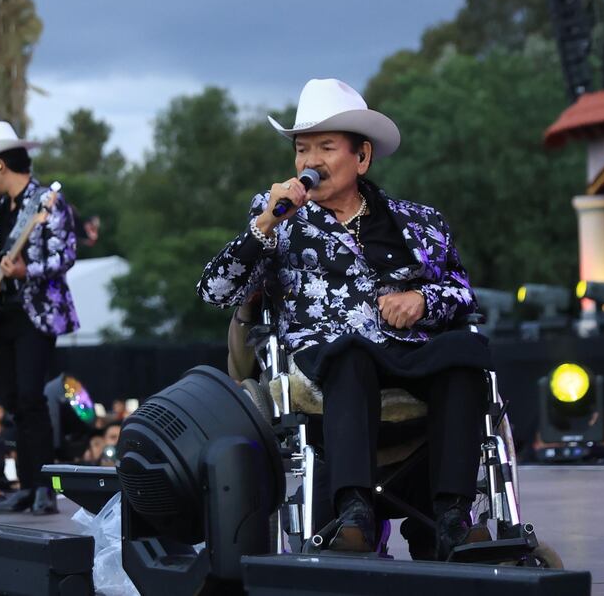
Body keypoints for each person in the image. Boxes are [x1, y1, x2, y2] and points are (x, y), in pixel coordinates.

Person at [197, 78, 489, 561]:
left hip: (408, 352)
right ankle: (354, 514)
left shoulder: (419, 222)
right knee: (351, 355)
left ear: (362, 157)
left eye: (326, 147)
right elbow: (215, 291)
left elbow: (462, 293)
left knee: (464, 354)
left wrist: (421, 298)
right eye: (302, 149)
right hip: (327, 357)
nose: (310, 161)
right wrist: (266, 223)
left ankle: (453, 517)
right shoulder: (279, 219)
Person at [0, 121, 79, 514]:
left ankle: (45, 486)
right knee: (14, 401)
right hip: (3, 316)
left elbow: (66, 254)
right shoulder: (1, 210)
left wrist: (26, 270)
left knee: (31, 397)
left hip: (37, 314)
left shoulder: (46, 201)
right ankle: (28, 486)